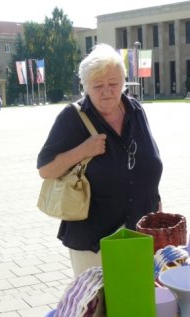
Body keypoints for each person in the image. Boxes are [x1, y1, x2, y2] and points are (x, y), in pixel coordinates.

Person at [37, 43, 163, 276]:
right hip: (94, 241)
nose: (107, 91)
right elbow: (45, 169)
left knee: (136, 305)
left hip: (140, 234)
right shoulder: (72, 118)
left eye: (113, 84)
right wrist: (83, 150)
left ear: (123, 83)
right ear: (86, 87)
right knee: (97, 309)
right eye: (98, 86)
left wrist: (157, 212)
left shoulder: (135, 110)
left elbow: (150, 164)